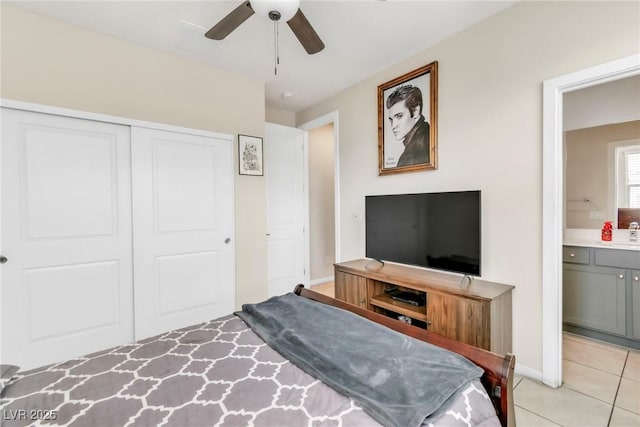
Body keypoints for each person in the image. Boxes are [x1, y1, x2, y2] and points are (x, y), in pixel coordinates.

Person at [386, 85, 430, 167]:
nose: (393, 126)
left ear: (415, 111)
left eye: (399, 116)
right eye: (391, 120)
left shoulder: (410, 156)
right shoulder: (428, 131)